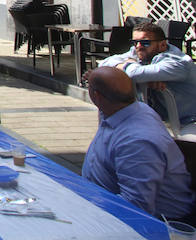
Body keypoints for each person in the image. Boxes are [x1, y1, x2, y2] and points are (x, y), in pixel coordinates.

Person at [82, 66, 194, 221]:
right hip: (99, 201)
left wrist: (85, 207)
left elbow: (135, 207)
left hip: (158, 224)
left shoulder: (137, 142)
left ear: (96, 96)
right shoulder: (121, 108)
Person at [99, 22, 196, 131]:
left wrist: (128, 66)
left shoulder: (177, 63)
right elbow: (104, 63)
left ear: (162, 45)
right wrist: (146, 77)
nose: (139, 47)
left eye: (145, 42)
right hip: (163, 121)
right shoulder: (140, 52)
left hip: (189, 122)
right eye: (135, 42)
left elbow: (135, 74)